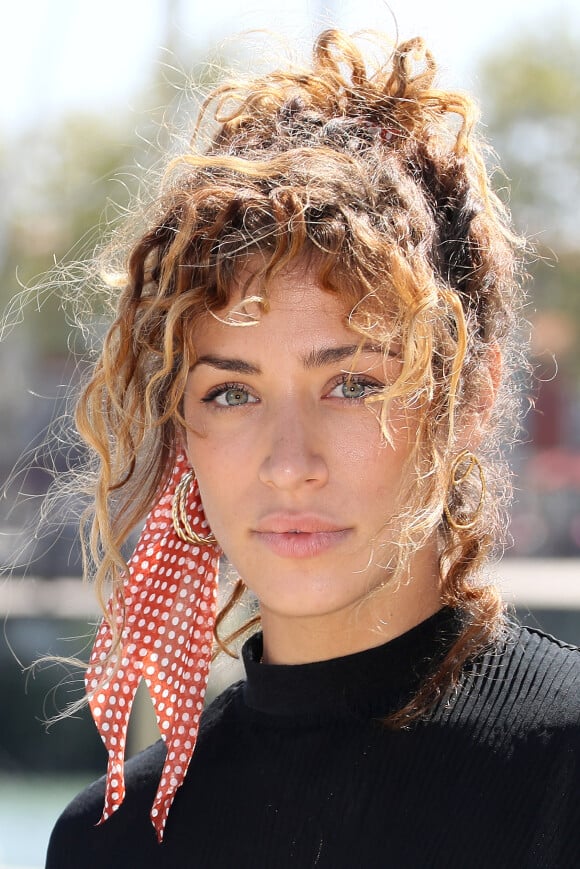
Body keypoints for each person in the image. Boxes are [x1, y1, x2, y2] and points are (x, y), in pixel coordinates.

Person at [45, 28, 579, 869]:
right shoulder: (110, 840)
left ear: (469, 397)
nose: (289, 461)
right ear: (183, 426)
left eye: (353, 384)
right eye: (232, 391)